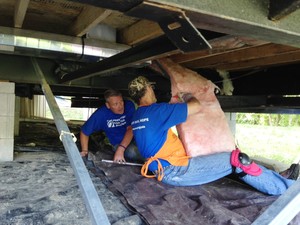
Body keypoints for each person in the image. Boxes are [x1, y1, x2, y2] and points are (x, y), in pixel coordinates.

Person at [128, 76, 299, 196]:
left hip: (161, 170)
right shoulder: (157, 110)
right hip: (176, 171)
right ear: (148, 89)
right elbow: (195, 107)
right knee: (238, 159)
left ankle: (275, 177)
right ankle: (284, 189)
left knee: (226, 161)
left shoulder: (137, 115)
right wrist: (190, 96)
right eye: (151, 87)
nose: (153, 90)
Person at [80, 89, 143, 163]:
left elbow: (130, 129)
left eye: (121, 102)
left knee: (148, 147)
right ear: (108, 105)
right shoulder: (101, 114)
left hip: (136, 138)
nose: (120, 106)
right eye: (115, 104)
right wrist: (85, 150)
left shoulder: (129, 105)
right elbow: (84, 132)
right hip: (118, 143)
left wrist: (120, 150)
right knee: (133, 152)